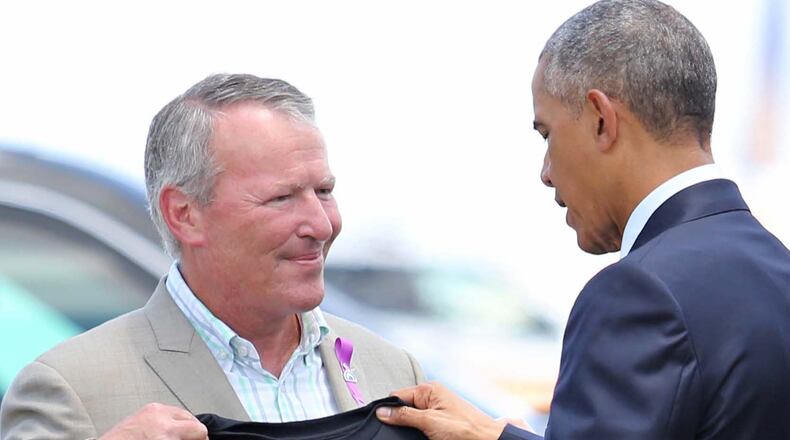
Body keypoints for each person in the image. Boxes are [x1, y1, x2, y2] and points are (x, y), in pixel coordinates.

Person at [375, 0, 790, 439]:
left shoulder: (638, 294)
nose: (546, 172)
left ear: (600, 120)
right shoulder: (776, 268)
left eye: (547, 134)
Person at [0, 74, 425, 440]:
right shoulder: (70, 388)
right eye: (282, 198)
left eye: (324, 191)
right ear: (184, 214)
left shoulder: (391, 372)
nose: (322, 224)